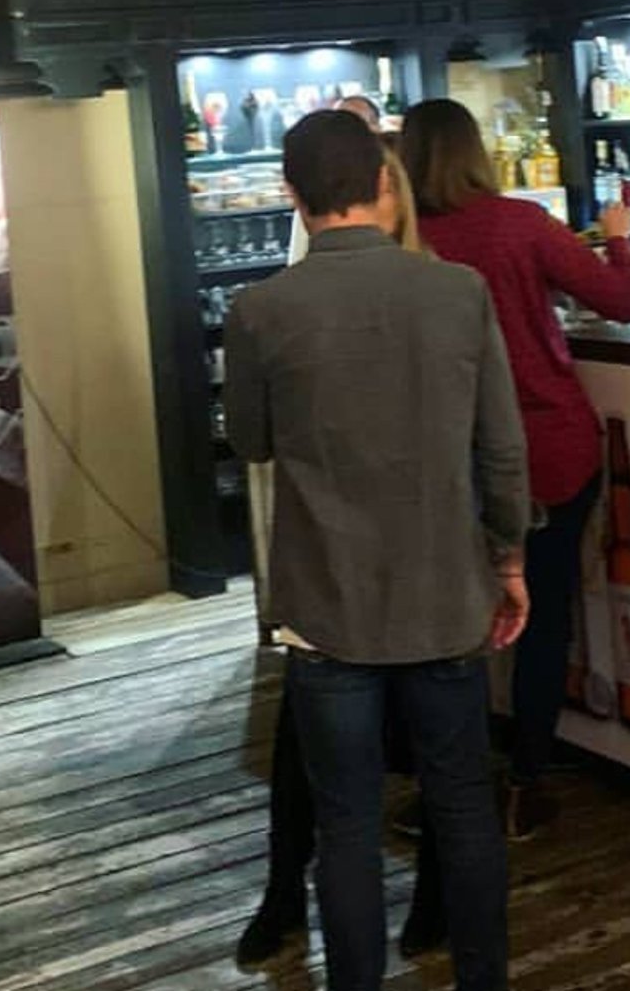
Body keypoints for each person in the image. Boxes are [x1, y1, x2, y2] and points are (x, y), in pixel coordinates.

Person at [226, 109, 530, 991]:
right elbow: (500, 449)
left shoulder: (259, 311)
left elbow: (248, 440)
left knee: (347, 824)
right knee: (463, 804)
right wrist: (507, 562)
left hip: (327, 602)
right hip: (446, 591)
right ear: (385, 185)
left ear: (292, 195)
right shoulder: (458, 292)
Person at [400, 97, 630, 838]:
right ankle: (528, 779)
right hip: (551, 447)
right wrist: (618, 240)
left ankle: (456, 784)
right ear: (476, 151)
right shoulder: (519, 223)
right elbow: (622, 301)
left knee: (457, 628)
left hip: (452, 460)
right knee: (543, 621)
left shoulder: (403, 245)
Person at [238, 142, 435, 968]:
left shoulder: (439, 291)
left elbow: (253, 437)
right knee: (322, 750)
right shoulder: (305, 292)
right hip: (360, 559)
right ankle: (290, 890)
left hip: (391, 561)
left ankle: (414, 905)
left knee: (398, 750)